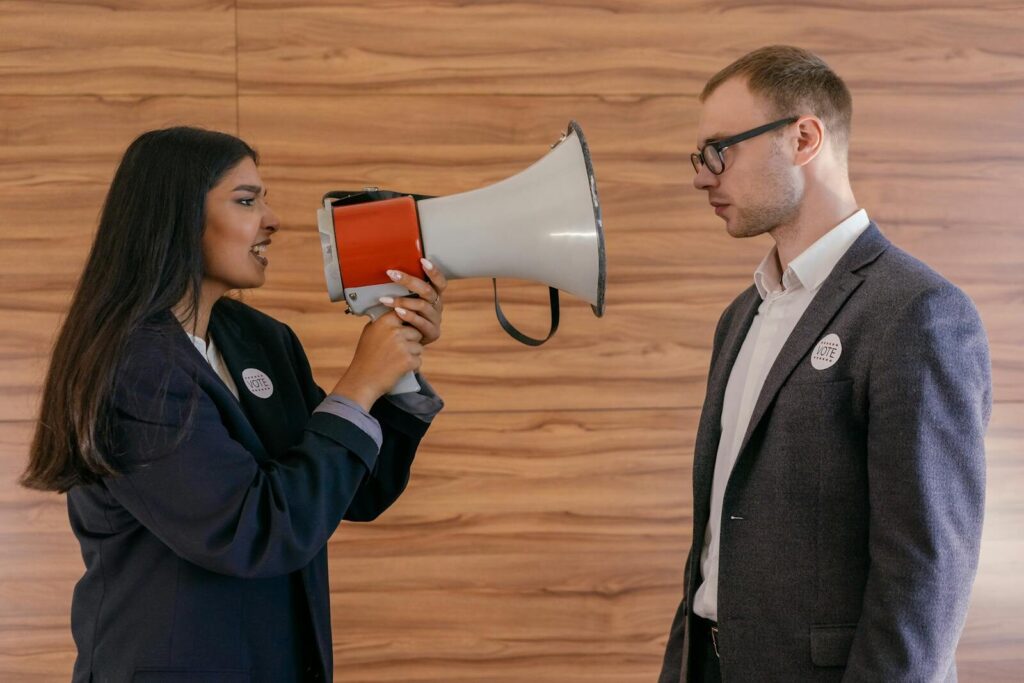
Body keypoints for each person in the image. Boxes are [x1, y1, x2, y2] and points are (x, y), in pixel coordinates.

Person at [20, 126, 447, 682]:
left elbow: (352, 490)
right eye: (247, 201)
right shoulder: (132, 369)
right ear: (175, 218)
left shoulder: (262, 340)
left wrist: (395, 371)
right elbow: (252, 531)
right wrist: (359, 384)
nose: (273, 219)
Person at [658, 46, 991, 682]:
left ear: (804, 138)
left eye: (719, 150)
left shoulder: (919, 313)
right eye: (700, 157)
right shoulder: (741, 316)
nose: (704, 177)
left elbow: (927, 575)